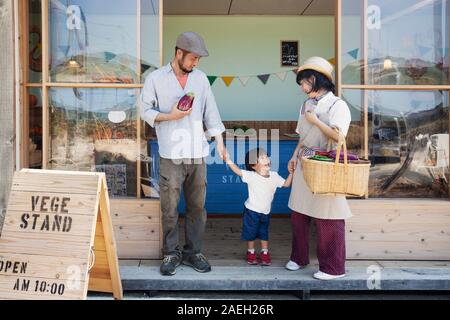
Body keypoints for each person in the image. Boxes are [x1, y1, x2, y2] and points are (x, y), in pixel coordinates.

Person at [140, 31, 226, 276]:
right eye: (193, 58)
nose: (196, 63)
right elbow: (145, 110)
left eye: (199, 59)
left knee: (197, 208)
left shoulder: (200, 79)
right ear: (179, 54)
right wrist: (171, 116)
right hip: (170, 154)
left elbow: (212, 112)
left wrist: (219, 142)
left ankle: (193, 252)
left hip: (198, 154)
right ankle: (171, 254)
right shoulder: (156, 79)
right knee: (169, 208)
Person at [286, 57, 352, 280]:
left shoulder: (338, 105)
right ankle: (299, 257)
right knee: (298, 213)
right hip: (305, 162)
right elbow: (302, 138)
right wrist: (293, 157)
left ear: (314, 79)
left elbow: (339, 137)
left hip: (326, 167)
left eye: (303, 83)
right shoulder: (305, 105)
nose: (302, 89)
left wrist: (315, 121)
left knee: (328, 217)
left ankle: (333, 268)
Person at [225, 148, 293, 266]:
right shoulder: (251, 175)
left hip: (265, 212)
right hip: (251, 211)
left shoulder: (274, 176)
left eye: (266, 157)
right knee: (251, 232)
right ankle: (251, 252)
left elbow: (286, 184)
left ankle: (264, 252)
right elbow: (238, 171)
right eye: (261, 158)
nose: (266, 159)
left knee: (263, 232)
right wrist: (228, 160)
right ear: (253, 165)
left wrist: (292, 173)